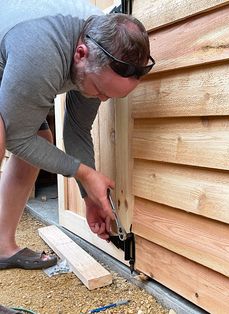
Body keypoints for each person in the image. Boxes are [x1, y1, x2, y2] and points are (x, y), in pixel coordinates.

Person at [0, 0, 154, 270]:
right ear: (80, 54)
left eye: (111, 95)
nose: (102, 99)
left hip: (17, 62)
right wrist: (84, 173)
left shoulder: (101, 48)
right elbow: (18, 138)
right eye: (99, 90)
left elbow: (77, 130)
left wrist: (89, 196)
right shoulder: (41, 50)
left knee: (42, 142)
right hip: (21, 52)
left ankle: (1, 246)